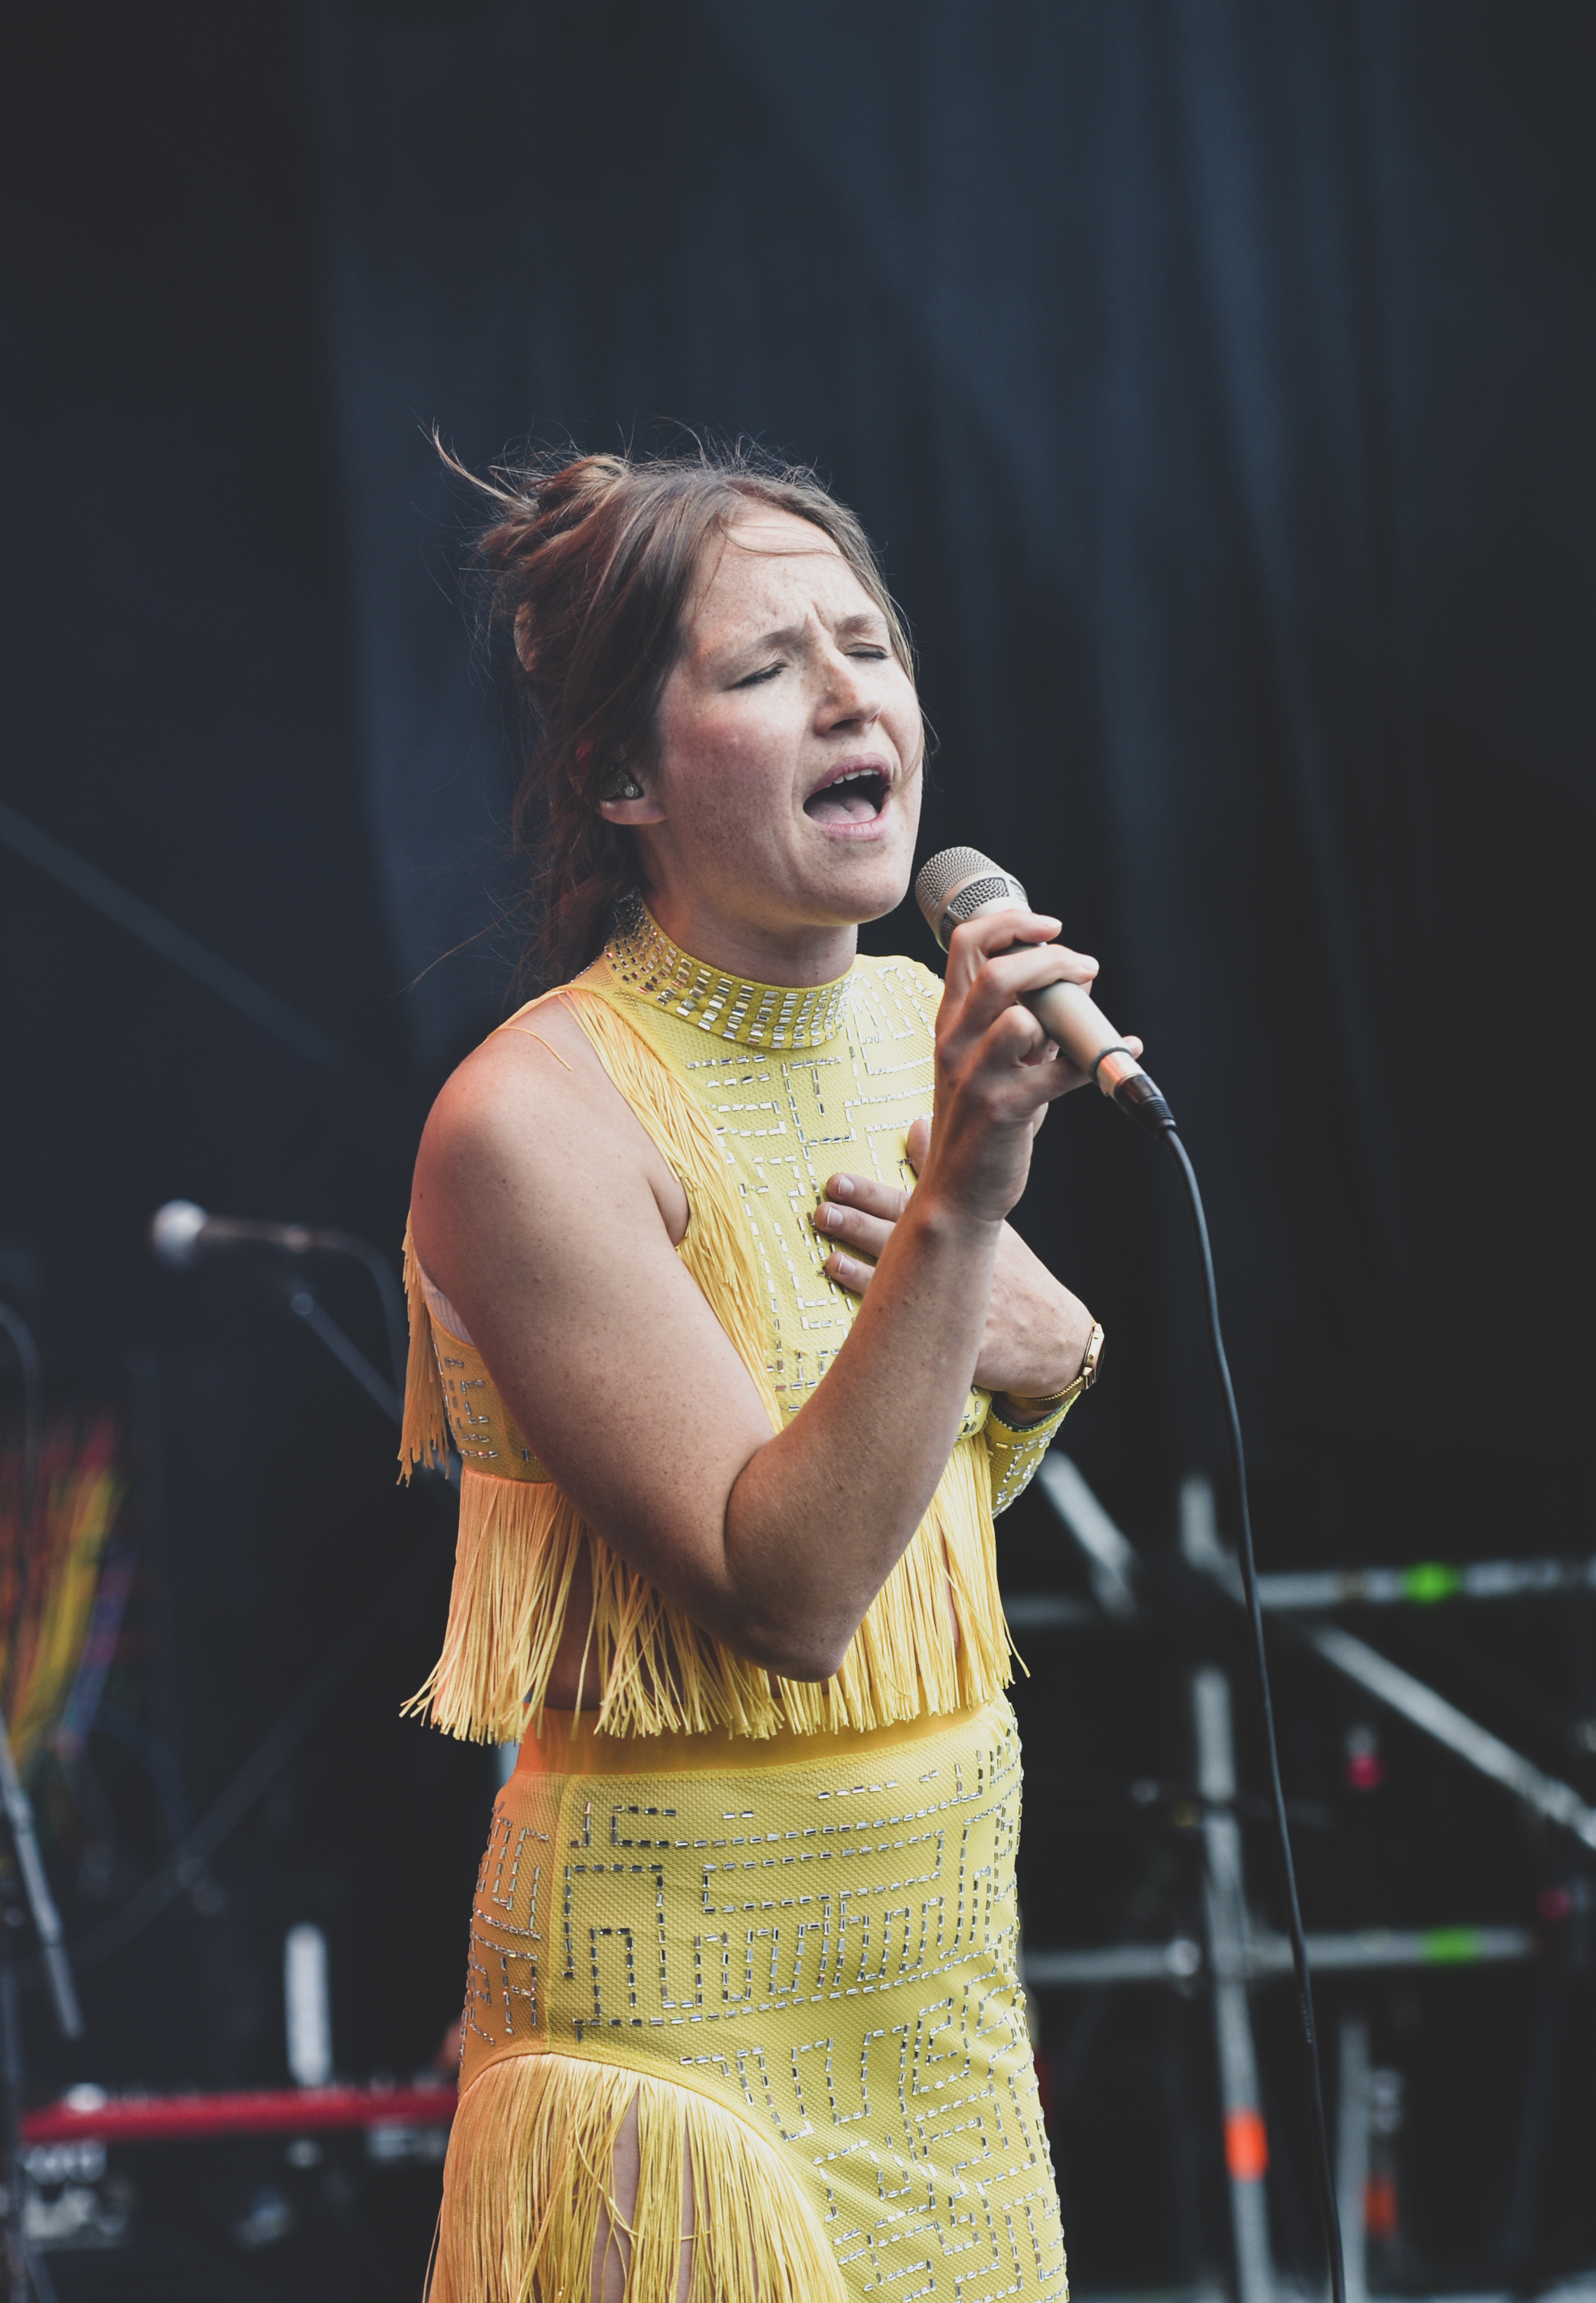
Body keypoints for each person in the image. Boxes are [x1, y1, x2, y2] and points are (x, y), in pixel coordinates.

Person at [403, 444, 1111, 2299]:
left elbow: (917, 1499)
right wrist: (965, 1223)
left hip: (941, 2019)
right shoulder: (529, 1120)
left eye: (868, 646)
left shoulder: (909, 1023)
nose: (850, 691)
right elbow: (790, 1592)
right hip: (675, 2056)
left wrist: (1047, 1369)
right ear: (621, 778)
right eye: (764, 666)